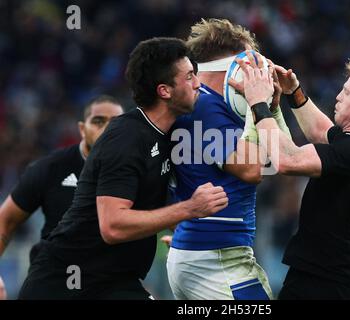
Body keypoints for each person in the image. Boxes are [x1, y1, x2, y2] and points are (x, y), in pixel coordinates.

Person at [18, 37, 228, 300]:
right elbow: (113, 225)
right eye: (189, 77)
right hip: (65, 285)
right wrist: (190, 209)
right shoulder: (127, 138)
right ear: (164, 91)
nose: (197, 83)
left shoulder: (168, 133)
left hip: (113, 282)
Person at [237, 53, 350, 299]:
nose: (337, 96)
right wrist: (294, 90)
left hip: (336, 284)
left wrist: (258, 102)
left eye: (346, 93)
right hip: (323, 275)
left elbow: (287, 160)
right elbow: (320, 130)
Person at [166, 18, 290, 300]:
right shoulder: (205, 105)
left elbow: (282, 160)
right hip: (217, 259)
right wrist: (256, 106)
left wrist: (268, 109)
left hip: (209, 253)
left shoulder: (209, 104)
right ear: (235, 67)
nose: (259, 77)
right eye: (253, 69)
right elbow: (254, 169)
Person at [0, 95, 124, 298]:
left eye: (115, 123)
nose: (107, 129)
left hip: (111, 280)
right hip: (54, 277)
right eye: (98, 121)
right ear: (82, 129)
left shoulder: (138, 170)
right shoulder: (51, 168)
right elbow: (6, 219)